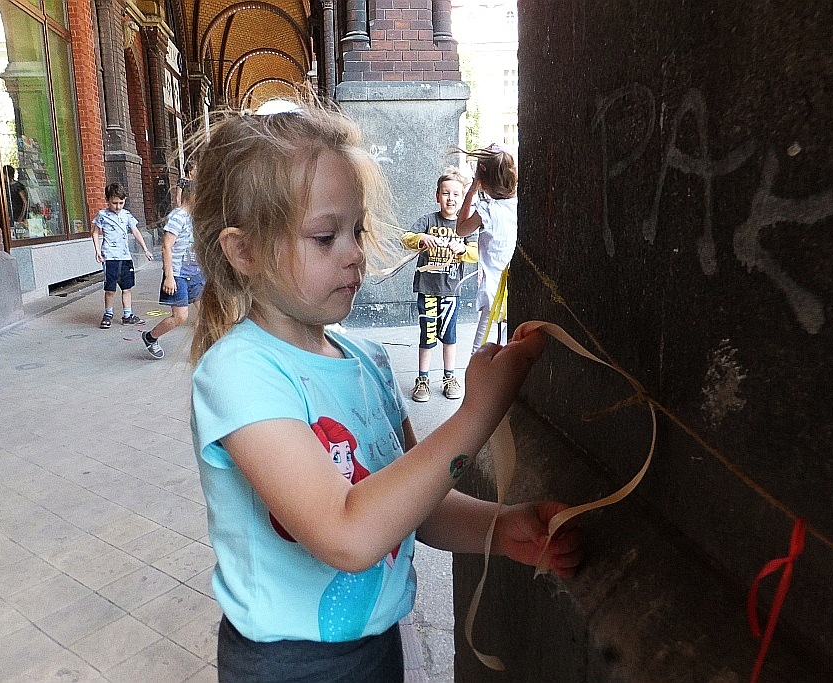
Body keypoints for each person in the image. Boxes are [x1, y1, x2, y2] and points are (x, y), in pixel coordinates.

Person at [188, 101, 582, 682]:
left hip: (374, 648)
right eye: (324, 237)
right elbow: (348, 533)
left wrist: (501, 527)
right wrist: (476, 414)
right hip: (287, 665)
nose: (353, 253)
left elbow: (408, 504)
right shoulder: (240, 374)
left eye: (356, 229)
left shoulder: (366, 360)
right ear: (243, 251)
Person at [400, 167, 478, 402]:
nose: (450, 199)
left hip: (451, 291)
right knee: (427, 335)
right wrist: (421, 238)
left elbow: (476, 253)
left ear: (462, 198)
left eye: (455, 194)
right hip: (427, 289)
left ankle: (449, 377)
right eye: (446, 193)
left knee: (450, 336)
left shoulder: (466, 226)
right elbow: (405, 239)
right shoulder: (428, 220)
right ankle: (422, 379)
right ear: (437, 196)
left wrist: (463, 249)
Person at [454, 143, 518, 353]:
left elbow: (461, 229)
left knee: (479, 349)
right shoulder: (518, 205)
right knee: (511, 344)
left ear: (483, 181)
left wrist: (471, 190)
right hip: (513, 288)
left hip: (493, 290)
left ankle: (476, 381)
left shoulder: (487, 210)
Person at [141, 189, 204, 359]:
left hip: (196, 273)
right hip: (178, 275)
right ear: (192, 195)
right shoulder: (178, 217)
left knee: (206, 312)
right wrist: (169, 277)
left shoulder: (196, 218)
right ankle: (150, 337)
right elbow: (166, 246)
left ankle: (201, 349)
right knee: (180, 317)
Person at [90, 183, 153, 328]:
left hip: (125, 257)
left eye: (121, 203)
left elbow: (135, 231)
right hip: (110, 257)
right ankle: (108, 314)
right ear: (108, 200)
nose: (118, 206)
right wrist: (98, 251)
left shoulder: (127, 215)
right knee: (110, 289)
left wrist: (145, 249)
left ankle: (128, 314)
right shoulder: (102, 215)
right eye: (114, 203)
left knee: (127, 288)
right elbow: (94, 232)